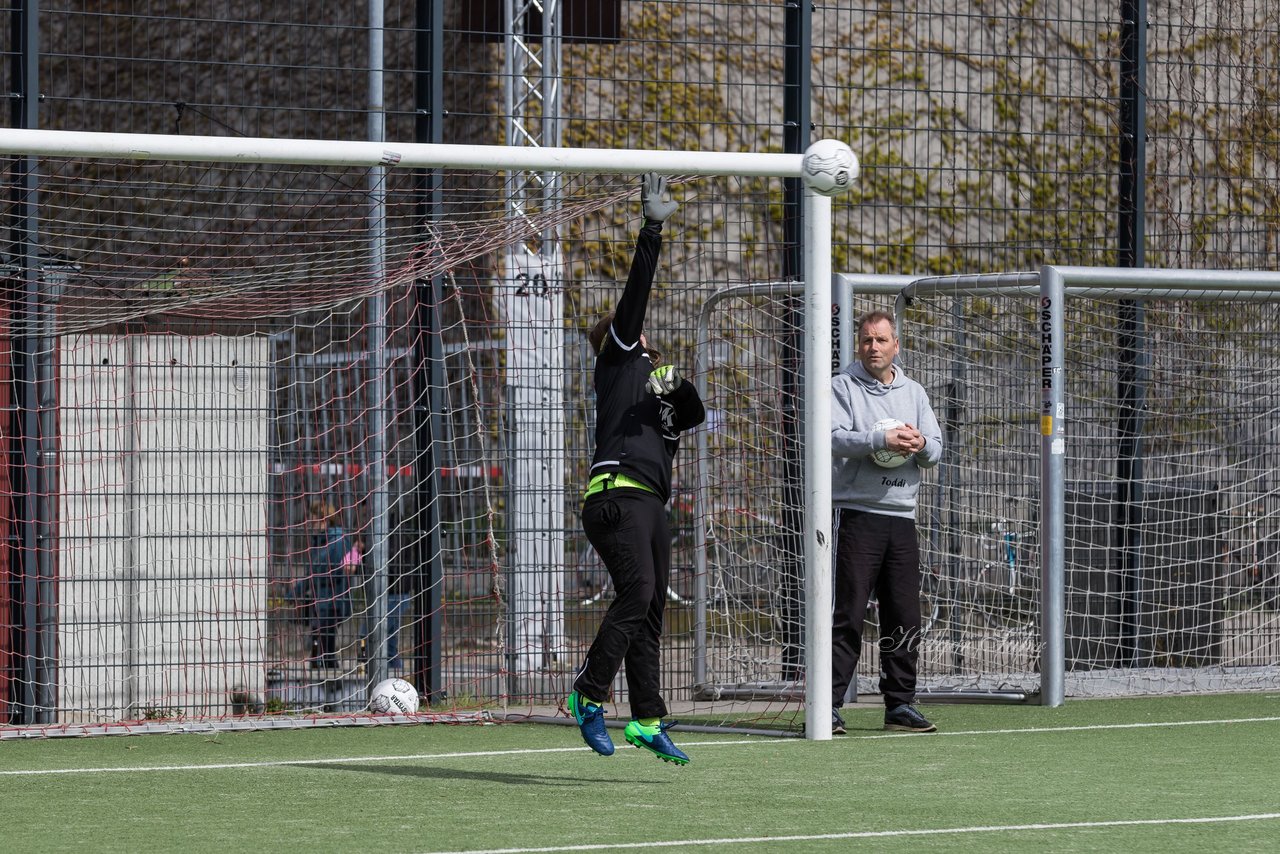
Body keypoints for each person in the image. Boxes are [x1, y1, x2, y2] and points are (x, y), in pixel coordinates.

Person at [566, 173, 705, 765]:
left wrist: (680, 385)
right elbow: (637, 294)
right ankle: (587, 696)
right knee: (639, 590)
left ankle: (646, 718)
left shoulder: (657, 390)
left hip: (651, 505)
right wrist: (652, 228)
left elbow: (693, 415)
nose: (645, 337)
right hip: (615, 497)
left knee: (649, 610)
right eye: (639, 336)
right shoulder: (619, 358)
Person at [830, 309, 943, 734]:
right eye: (866, 341)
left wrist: (918, 444)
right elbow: (831, 437)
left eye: (881, 340)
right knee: (848, 613)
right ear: (858, 346)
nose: (873, 347)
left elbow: (935, 447)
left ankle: (900, 703)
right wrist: (880, 438)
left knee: (904, 615)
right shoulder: (841, 387)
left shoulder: (914, 392)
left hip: (902, 517)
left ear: (896, 345)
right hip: (855, 515)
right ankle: (830, 705)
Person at [302, 499, 352, 670]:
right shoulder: (319, 541)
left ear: (323, 520)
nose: (310, 523)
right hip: (321, 600)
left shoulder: (338, 540)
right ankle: (320, 671)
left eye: (313, 518)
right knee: (320, 644)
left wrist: (316, 575)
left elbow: (340, 570)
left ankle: (331, 680)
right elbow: (311, 572)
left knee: (326, 645)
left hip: (334, 601)